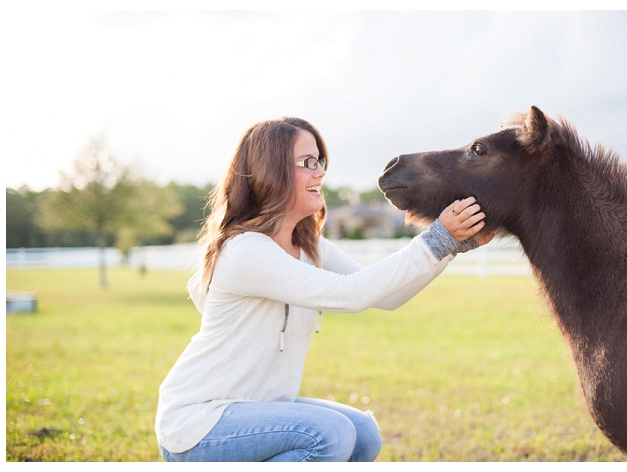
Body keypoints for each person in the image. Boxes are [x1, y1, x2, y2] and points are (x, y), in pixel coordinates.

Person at [155, 117, 494, 462]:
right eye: (307, 163)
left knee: (363, 434)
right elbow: (352, 294)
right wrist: (437, 238)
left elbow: (387, 296)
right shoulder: (246, 250)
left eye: (320, 162)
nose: (319, 173)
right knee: (329, 435)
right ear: (271, 171)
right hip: (200, 423)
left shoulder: (310, 247)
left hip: (256, 408)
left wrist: (451, 246)